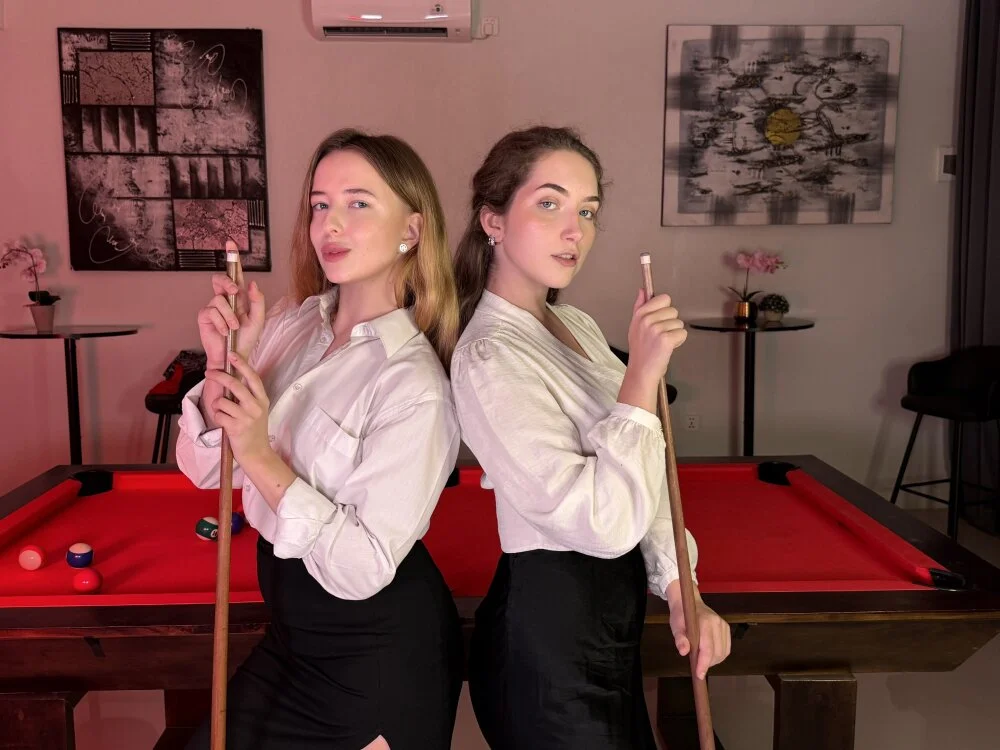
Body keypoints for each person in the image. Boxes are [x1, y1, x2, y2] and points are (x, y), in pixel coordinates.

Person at [176, 128, 463, 750]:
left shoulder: (414, 383)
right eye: (320, 204)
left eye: (358, 203)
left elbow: (360, 569)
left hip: (376, 656)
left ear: (412, 229)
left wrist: (259, 452)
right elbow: (205, 469)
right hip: (292, 639)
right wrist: (224, 361)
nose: (330, 223)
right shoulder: (292, 323)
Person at [450, 125, 732, 749]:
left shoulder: (572, 321)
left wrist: (681, 587)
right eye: (549, 203)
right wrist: (641, 375)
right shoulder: (488, 355)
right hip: (547, 639)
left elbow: (642, 477)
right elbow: (601, 524)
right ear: (493, 220)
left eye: (587, 211)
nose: (574, 230)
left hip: (607, 625)